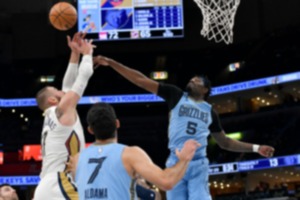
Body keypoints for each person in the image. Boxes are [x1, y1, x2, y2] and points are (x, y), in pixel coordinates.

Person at [93, 55, 276, 200]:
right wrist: (111, 63)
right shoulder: (175, 95)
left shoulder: (210, 112)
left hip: (198, 163)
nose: (192, 80)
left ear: (205, 90)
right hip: (175, 161)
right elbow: (140, 80)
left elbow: (225, 142)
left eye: (196, 81)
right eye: (191, 79)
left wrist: (256, 148)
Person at [67, 103, 200, 200]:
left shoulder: (77, 159)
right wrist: (184, 159)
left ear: (90, 130)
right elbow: (167, 182)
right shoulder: (130, 154)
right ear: (117, 123)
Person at [33, 32, 95, 199]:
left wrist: (74, 54)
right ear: (53, 99)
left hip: (48, 184)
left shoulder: (54, 115)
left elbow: (68, 85)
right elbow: (82, 78)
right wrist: (87, 54)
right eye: (57, 91)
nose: (62, 91)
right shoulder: (60, 111)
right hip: (59, 183)